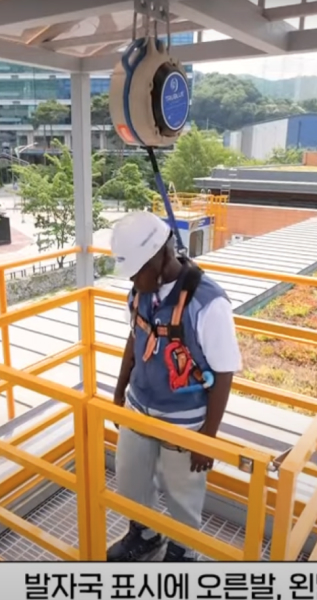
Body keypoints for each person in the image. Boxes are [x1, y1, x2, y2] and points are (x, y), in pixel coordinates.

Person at [107, 210, 241, 562]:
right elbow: (133, 339)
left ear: (160, 256)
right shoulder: (140, 293)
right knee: (130, 479)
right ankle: (146, 533)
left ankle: (184, 552)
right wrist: (119, 394)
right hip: (140, 405)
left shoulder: (208, 303)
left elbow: (224, 372)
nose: (133, 280)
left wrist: (206, 438)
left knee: (183, 492)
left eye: (137, 271)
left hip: (185, 419)